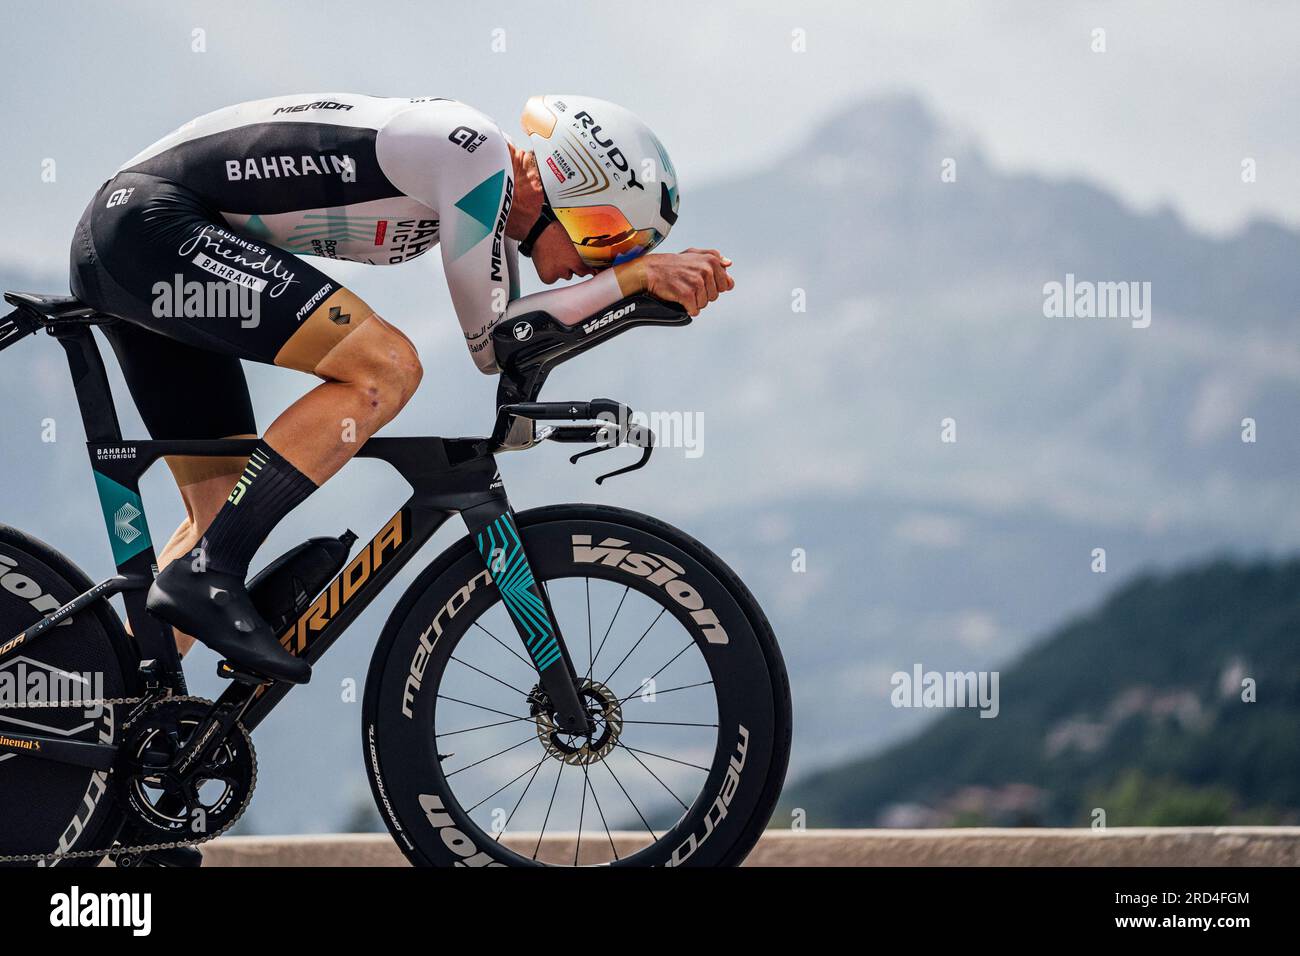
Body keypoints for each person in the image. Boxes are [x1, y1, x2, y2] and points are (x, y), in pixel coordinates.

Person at [69, 93, 734, 684]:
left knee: (221, 506)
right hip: (149, 228)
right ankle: (207, 574)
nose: (603, 261)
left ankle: (109, 709)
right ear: (575, 191)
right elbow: (496, 341)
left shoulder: (485, 195)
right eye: (611, 239)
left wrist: (570, 379)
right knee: (386, 366)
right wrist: (635, 279)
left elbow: (509, 347)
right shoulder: (473, 157)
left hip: (149, 240)